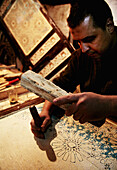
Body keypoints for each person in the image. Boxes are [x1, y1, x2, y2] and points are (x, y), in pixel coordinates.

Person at [31, 0, 117, 138]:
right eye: (79, 42)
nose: (83, 49)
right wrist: (45, 111)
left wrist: (108, 105)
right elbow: (59, 85)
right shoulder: (81, 56)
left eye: (89, 39)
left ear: (109, 26)